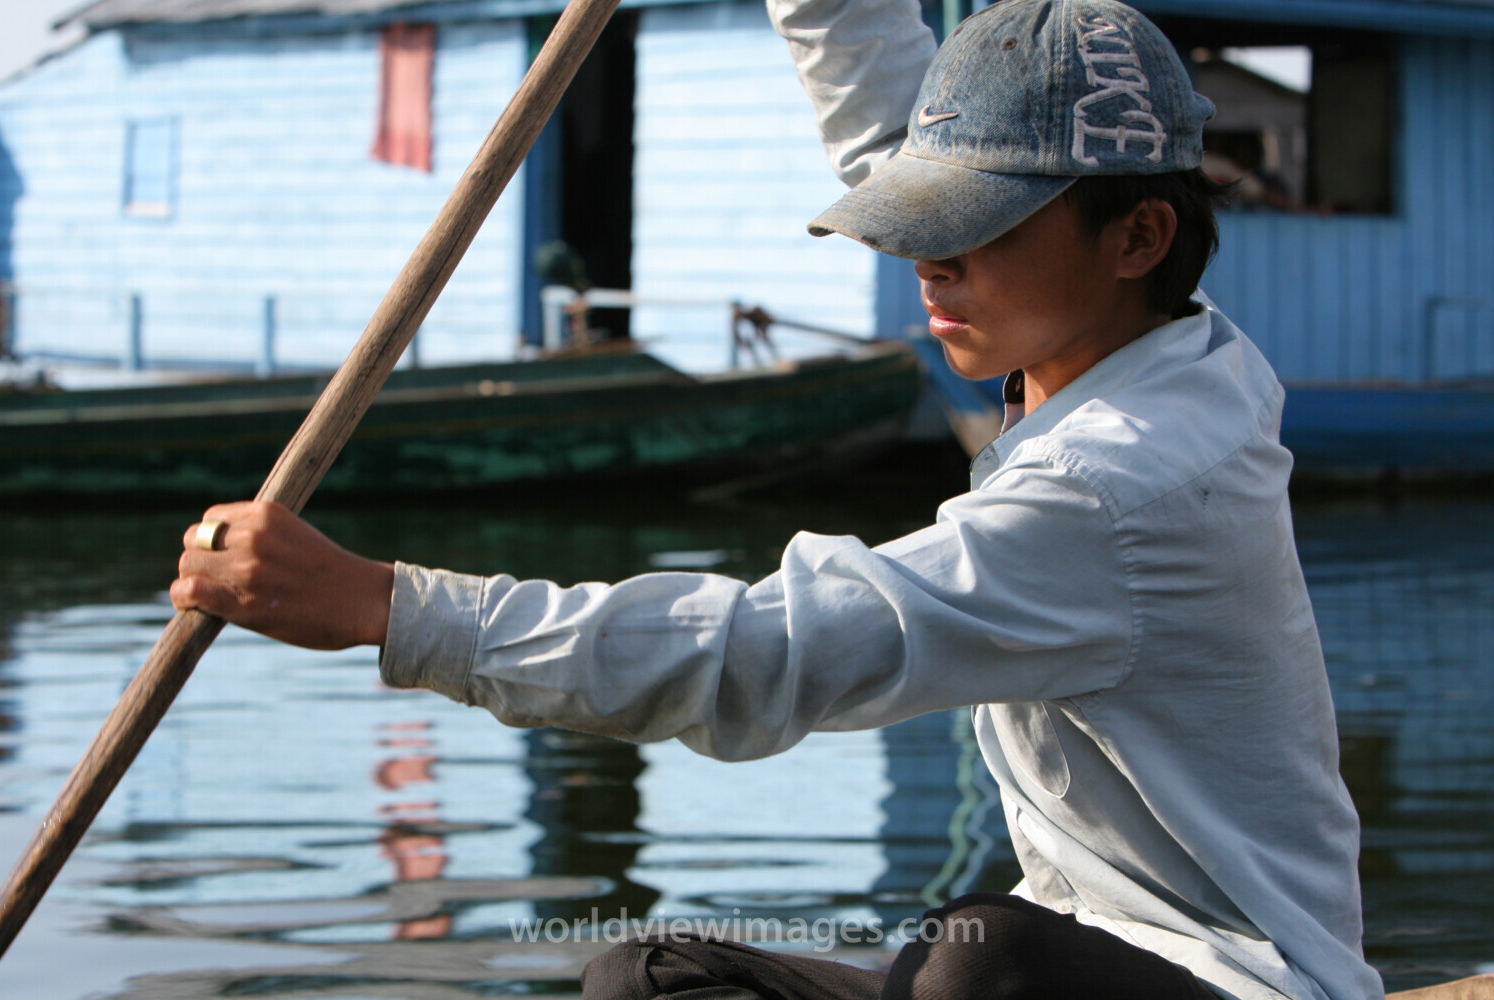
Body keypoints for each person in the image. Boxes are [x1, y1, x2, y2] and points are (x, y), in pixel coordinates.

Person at [171, 2, 1382, 998]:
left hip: (1237, 981)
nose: (929, 264)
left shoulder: (1116, 478)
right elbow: (888, 135)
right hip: (1073, 942)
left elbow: (769, 653)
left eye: (979, 228)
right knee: (647, 979)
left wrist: (390, 607)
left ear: (1138, 236)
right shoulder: (1143, 338)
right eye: (930, 223)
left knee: (981, 967)